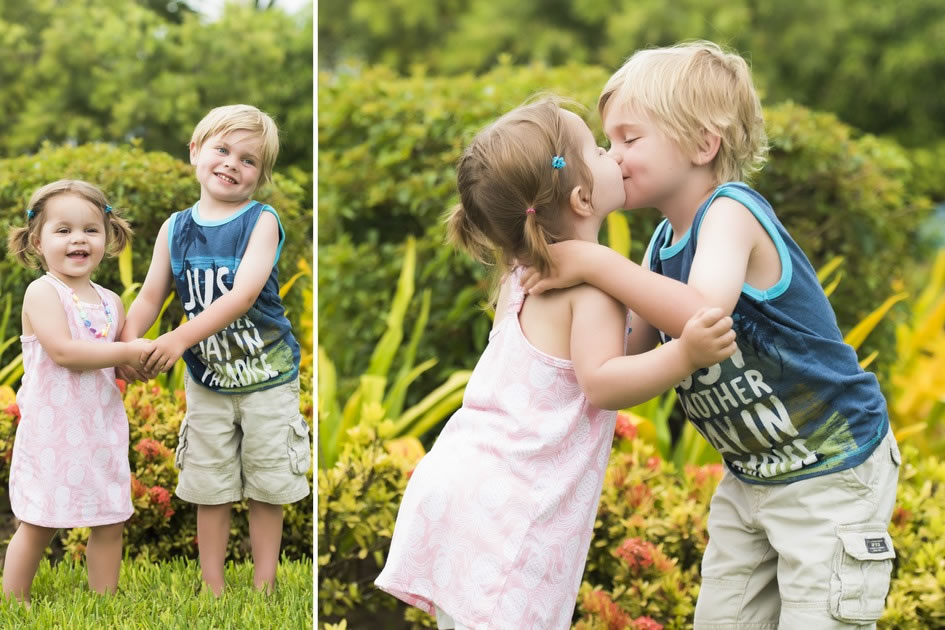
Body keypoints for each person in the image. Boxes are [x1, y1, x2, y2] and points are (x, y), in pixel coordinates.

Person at [522, 41, 900, 629]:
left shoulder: (731, 212)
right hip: (753, 477)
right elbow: (627, 354)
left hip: (832, 470)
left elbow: (700, 313)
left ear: (704, 144)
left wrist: (596, 264)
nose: (613, 155)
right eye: (609, 140)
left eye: (630, 137)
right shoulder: (659, 248)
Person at [374, 97, 736, 630]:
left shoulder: (520, 277)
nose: (613, 154)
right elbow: (603, 382)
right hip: (512, 512)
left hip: (465, 483)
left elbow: (602, 353)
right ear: (583, 198)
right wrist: (682, 354)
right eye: (597, 146)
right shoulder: (589, 290)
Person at [117, 104, 311, 596]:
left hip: (268, 377)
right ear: (195, 152)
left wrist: (179, 338)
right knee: (212, 485)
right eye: (222, 150)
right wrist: (126, 347)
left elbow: (243, 294)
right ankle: (213, 585)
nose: (231, 163)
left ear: (261, 176)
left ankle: (265, 584)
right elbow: (149, 297)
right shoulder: (175, 228)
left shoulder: (260, 221)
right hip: (209, 381)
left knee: (267, 486)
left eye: (248, 160)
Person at [3, 179, 150, 605]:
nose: (78, 239)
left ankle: (104, 599)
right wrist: (126, 348)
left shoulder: (111, 302)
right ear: (37, 240)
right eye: (63, 230)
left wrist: (138, 363)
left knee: (109, 518)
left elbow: (114, 363)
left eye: (90, 229)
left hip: (100, 429)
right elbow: (65, 352)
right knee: (39, 520)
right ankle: (15, 601)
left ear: (108, 235)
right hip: (52, 431)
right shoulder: (42, 292)